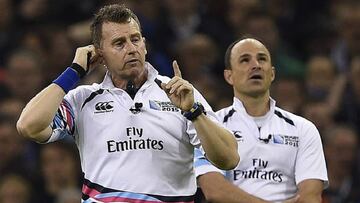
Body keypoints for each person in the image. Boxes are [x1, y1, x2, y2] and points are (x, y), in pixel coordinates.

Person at [16, 4, 239, 203]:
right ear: (100, 56)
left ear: (145, 44)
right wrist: (73, 72)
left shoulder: (179, 92)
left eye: (135, 39)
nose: (131, 48)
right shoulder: (83, 99)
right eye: (119, 43)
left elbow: (229, 159)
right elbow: (28, 125)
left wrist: (193, 112)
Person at [195, 38, 328, 203]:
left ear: (272, 73)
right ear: (229, 76)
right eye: (245, 60)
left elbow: (311, 198)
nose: (256, 65)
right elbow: (215, 191)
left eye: (262, 59)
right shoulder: (209, 126)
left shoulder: (303, 129)